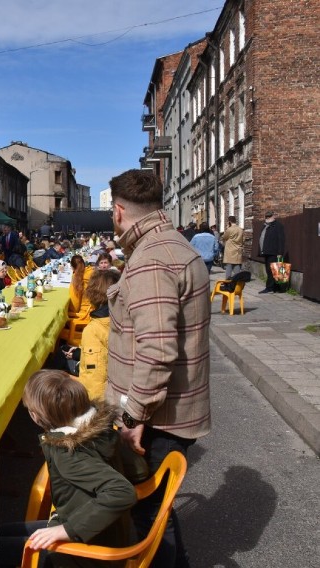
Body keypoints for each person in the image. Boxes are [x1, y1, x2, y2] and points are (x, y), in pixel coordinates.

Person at [105, 168, 210, 568]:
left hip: (158, 416)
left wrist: (133, 415)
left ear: (117, 212)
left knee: (149, 513)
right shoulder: (172, 245)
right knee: (158, 509)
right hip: (172, 409)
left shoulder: (150, 260)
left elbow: (158, 350)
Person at [0, 370, 137, 568]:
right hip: (109, 533)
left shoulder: (70, 455)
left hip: (87, 552)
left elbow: (122, 492)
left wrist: (67, 530)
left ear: (35, 416)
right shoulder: (102, 429)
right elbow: (139, 471)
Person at [77, 269, 120, 400]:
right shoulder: (122, 319)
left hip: (101, 401)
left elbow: (94, 376)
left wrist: (91, 406)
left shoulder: (93, 330)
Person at [258, 211, 286, 293]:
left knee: (273, 269)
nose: (267, 218)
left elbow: (281, 240)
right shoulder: (265, 225)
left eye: (269, 216)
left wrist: (280, 253)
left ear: (273, 216)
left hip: (273, 251)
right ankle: (275, 287)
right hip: (266, 251)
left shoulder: (278, 226)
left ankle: (270, 287)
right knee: (269, 269)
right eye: (266, 216)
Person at [220, 215, 245, 280]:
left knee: (229, 266)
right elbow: (243, 240)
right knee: (237, 265)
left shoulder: (229, 229)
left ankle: (228, 281)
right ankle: (237, 281)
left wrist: (227, 228)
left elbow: (224, 237)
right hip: (238, 249)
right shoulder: (240, 229)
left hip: (230, 250)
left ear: (229, 222)